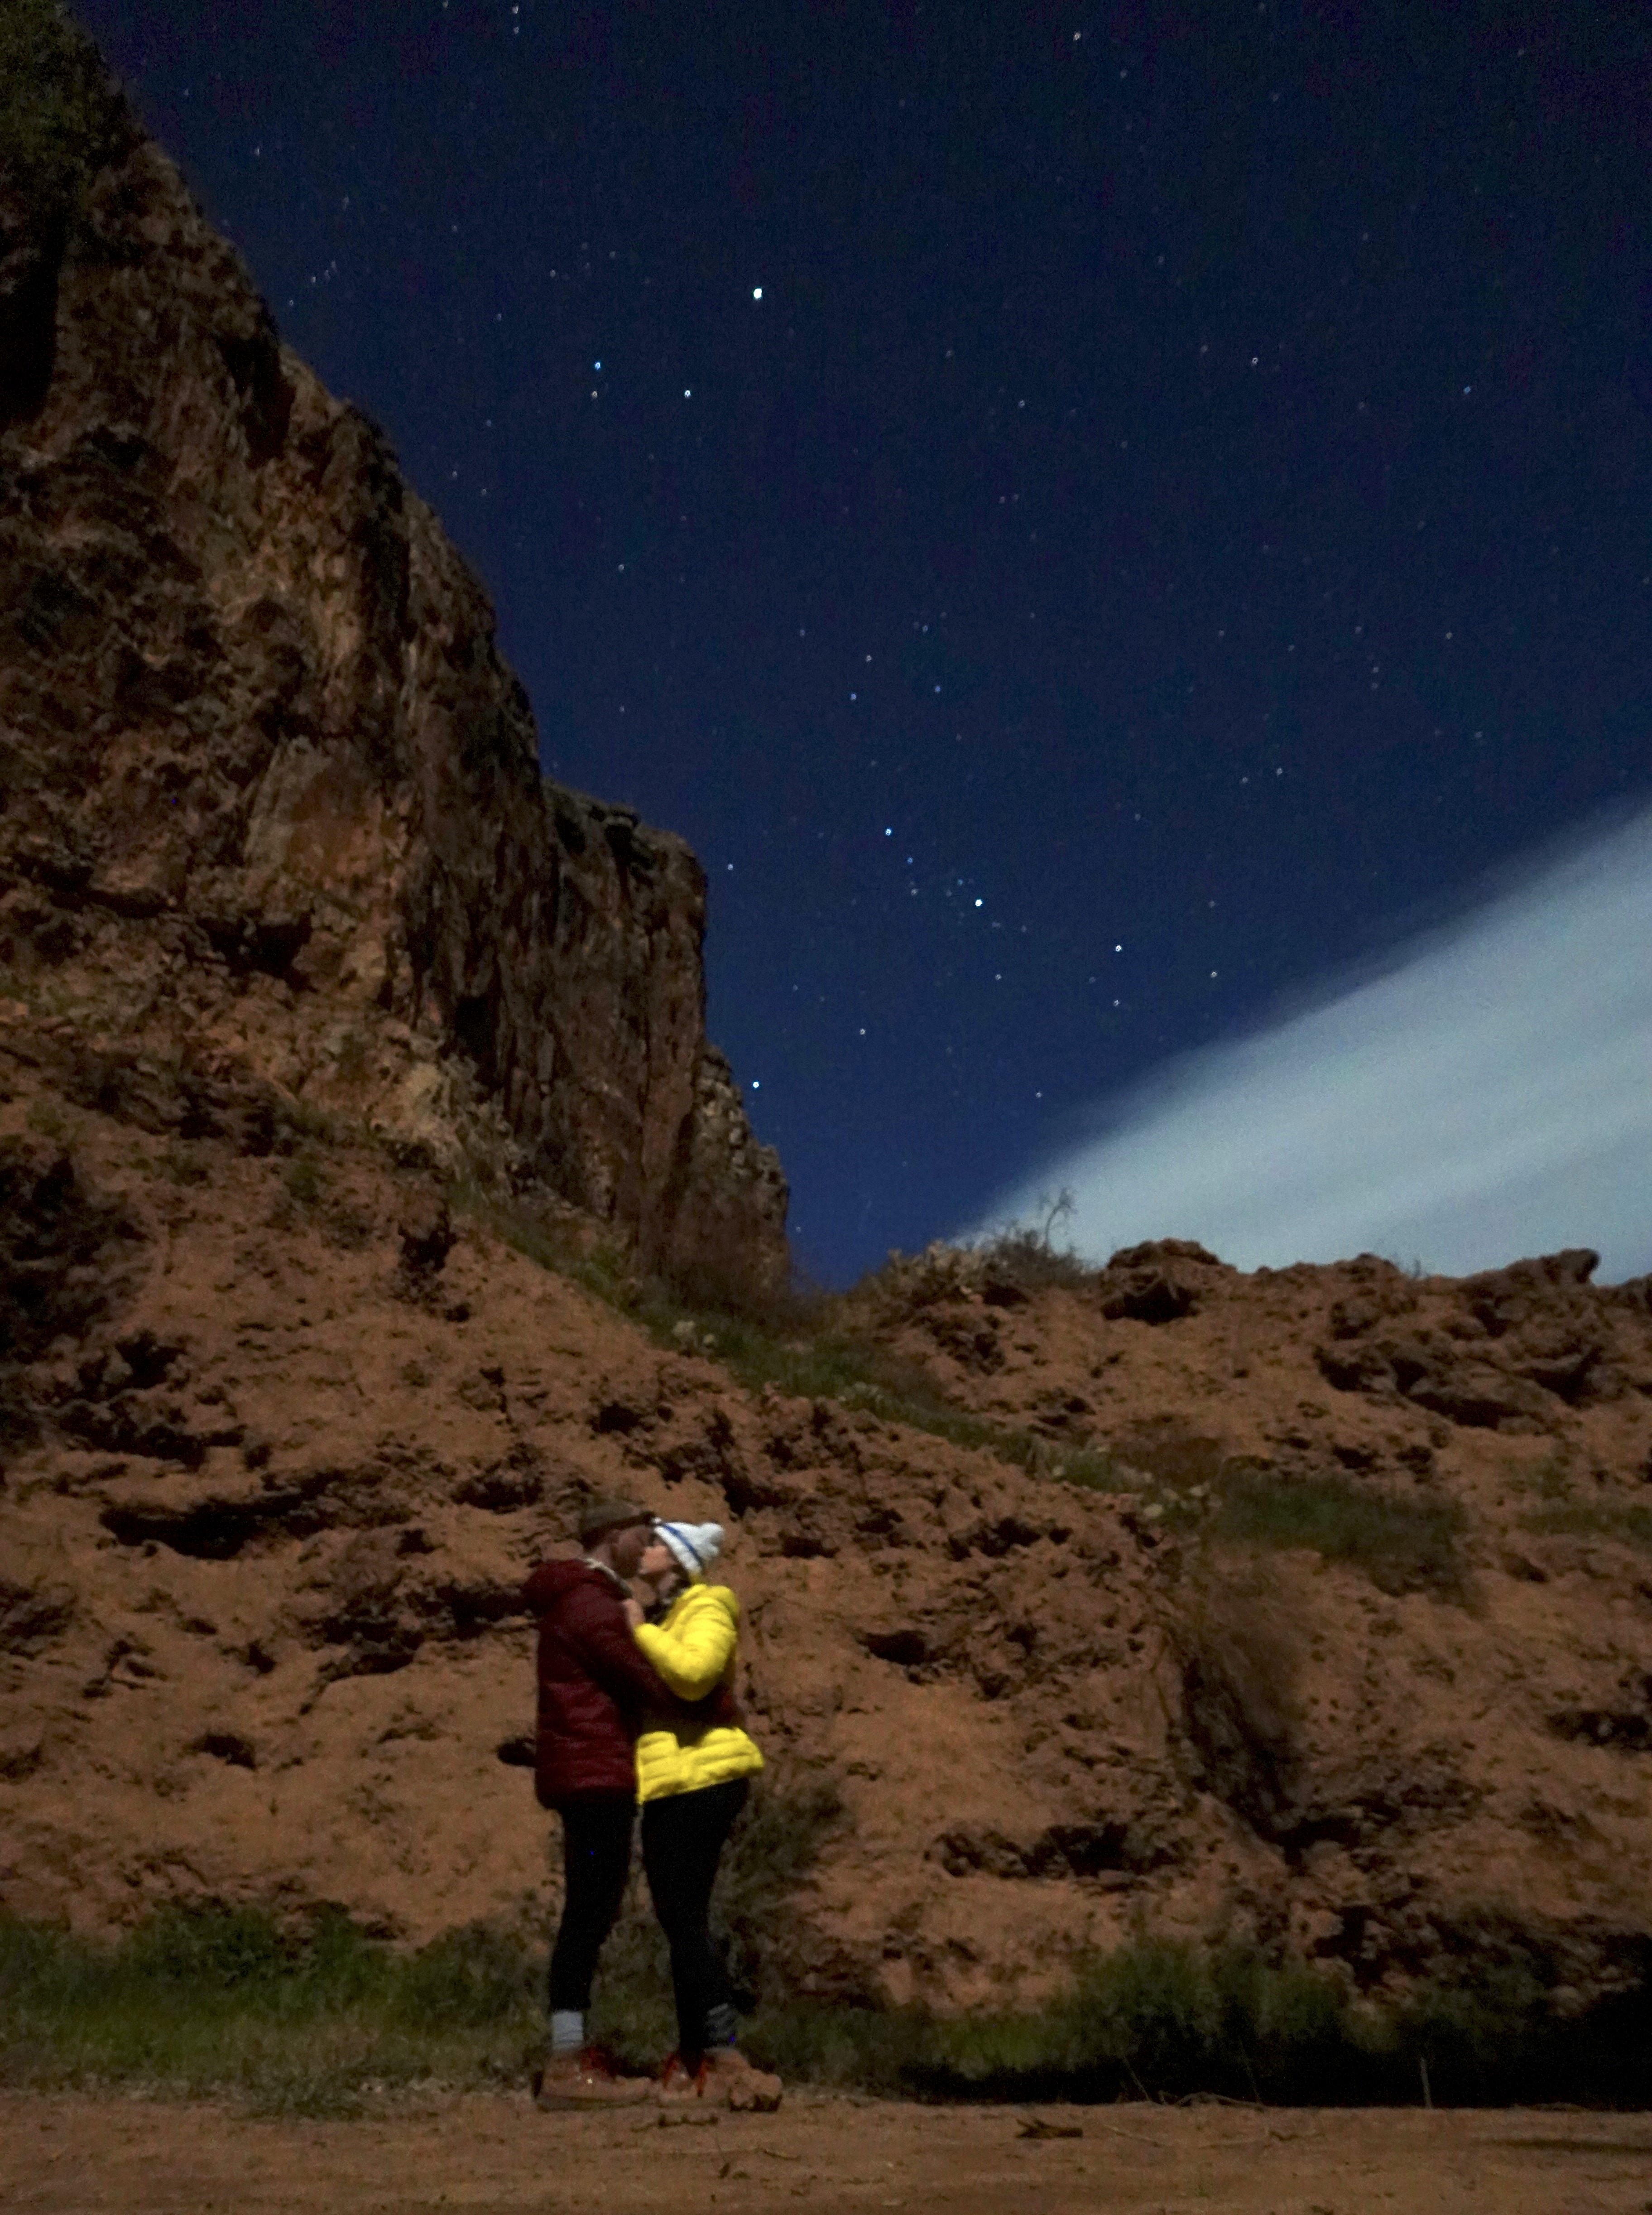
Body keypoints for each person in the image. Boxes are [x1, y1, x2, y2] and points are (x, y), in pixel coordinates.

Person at [520, 1496, 678, 2109]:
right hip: (595, 1778)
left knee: (590, 1906)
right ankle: (566, 2063)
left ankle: (572, 2052)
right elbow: (642, 1677)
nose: (646, 1547)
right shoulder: (593, 1604)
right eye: (641, 1535)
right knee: (589, 1909)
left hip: (589, 1774)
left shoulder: (580, 1599)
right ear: (612, 1537)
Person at [624, 1518, 783, 2111]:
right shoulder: (664, 1615)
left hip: (707, 1778)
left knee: (685, 1916)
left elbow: (694, 1676)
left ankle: (723, 2050)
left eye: (658, 1542)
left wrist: (640, 1633)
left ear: (684, 1559)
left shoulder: (711, 1604)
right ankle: (697, 2056)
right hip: (670, 1781)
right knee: (679, 1918)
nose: (646, 1550)